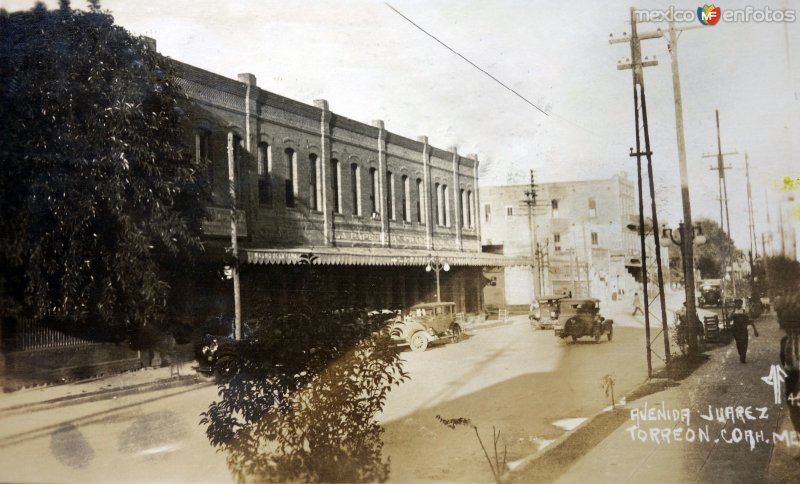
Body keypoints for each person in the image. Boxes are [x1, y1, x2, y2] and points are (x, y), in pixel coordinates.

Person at [731, 298, 758, 363]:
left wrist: (755, 330)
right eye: (736, 303)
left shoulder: (744, 312)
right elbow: (728, 319)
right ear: (735, 304)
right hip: (736, 330)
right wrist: (732, 314)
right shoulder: (733, 311)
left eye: (739, 303)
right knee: (738, 343)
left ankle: (743, 356)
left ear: (741, 304)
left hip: (743, 330)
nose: (738, 304)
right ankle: (741, 354)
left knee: (744, 343)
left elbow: (750, 321)